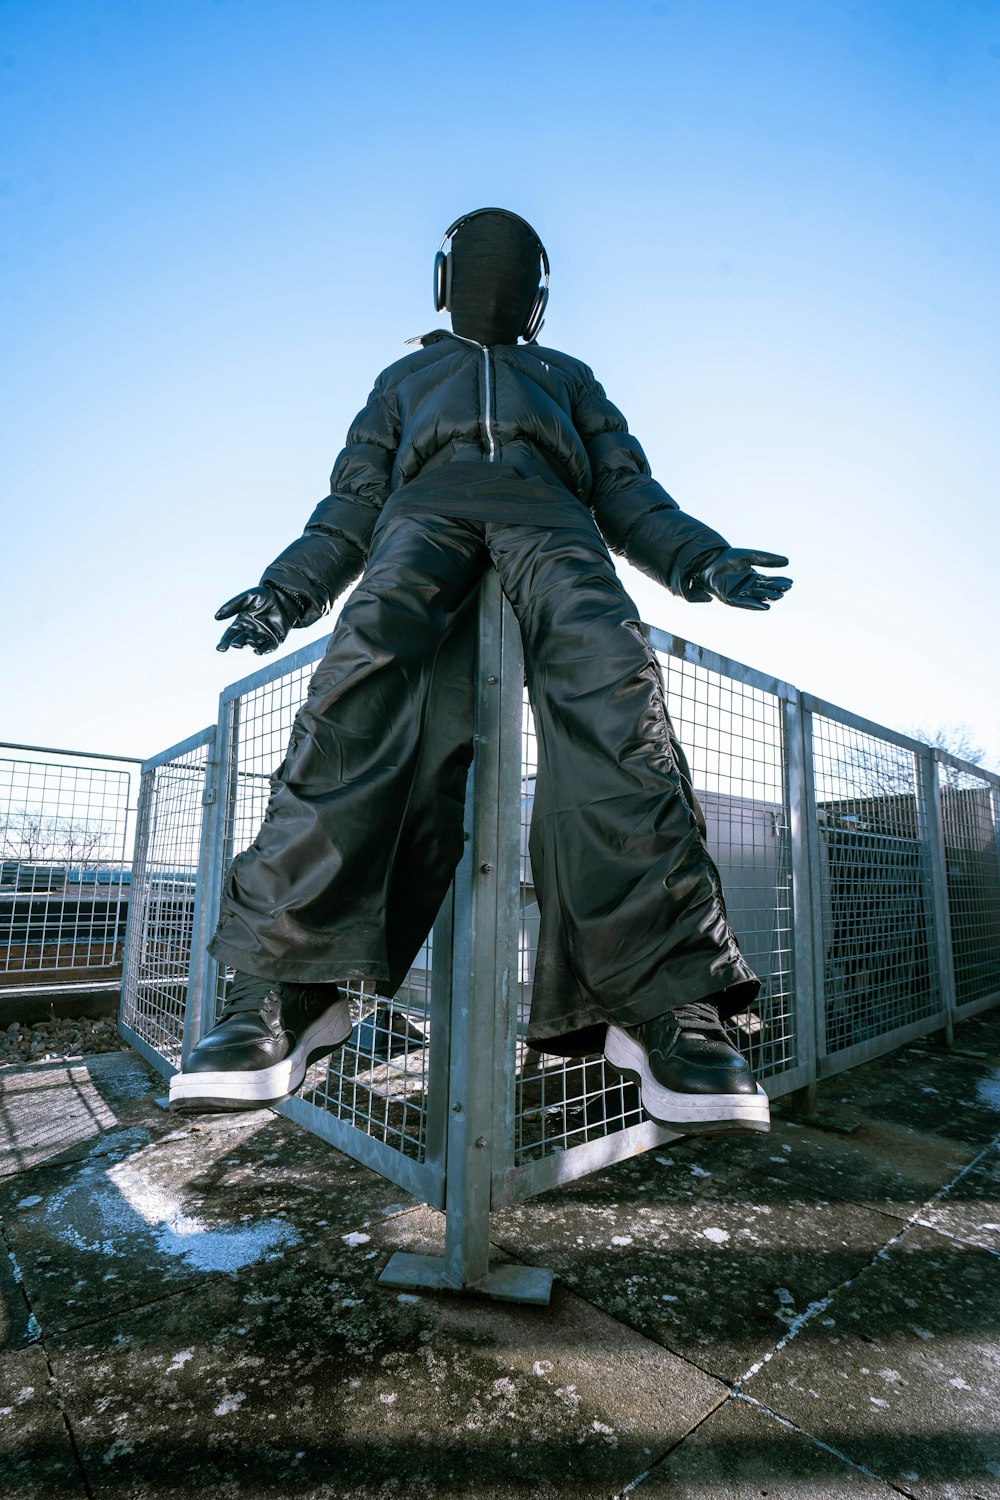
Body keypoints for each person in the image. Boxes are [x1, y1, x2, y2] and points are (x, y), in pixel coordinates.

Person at [168, 208, 792, 1134]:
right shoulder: (407, 376)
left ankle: (665, 998)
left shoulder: (566, 377)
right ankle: (288, 986)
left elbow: (625, 487)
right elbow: (352, 502)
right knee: (358, 694)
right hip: (422, 520)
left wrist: (697, 557)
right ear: (442, 280)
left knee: (617, 703)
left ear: (538, 297)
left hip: (554, 525)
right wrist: (284, 592)